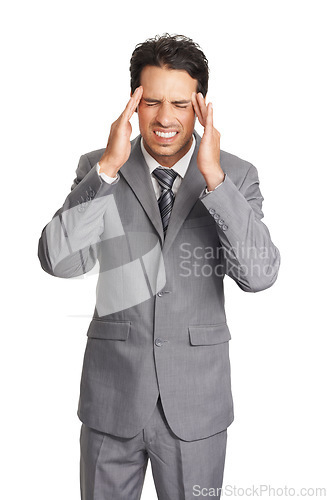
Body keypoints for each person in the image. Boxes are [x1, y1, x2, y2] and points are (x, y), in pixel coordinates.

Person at [38, 33, 280, 500]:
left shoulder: (235, 174)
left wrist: (214, 179)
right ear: (132, 105)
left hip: (196, 403)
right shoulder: (100, 167)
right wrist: (108, 166)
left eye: (179, 104)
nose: (165, 118)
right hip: (112, 398)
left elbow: (260, 275)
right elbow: (60, 261)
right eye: (151, 102)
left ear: (201, 107)